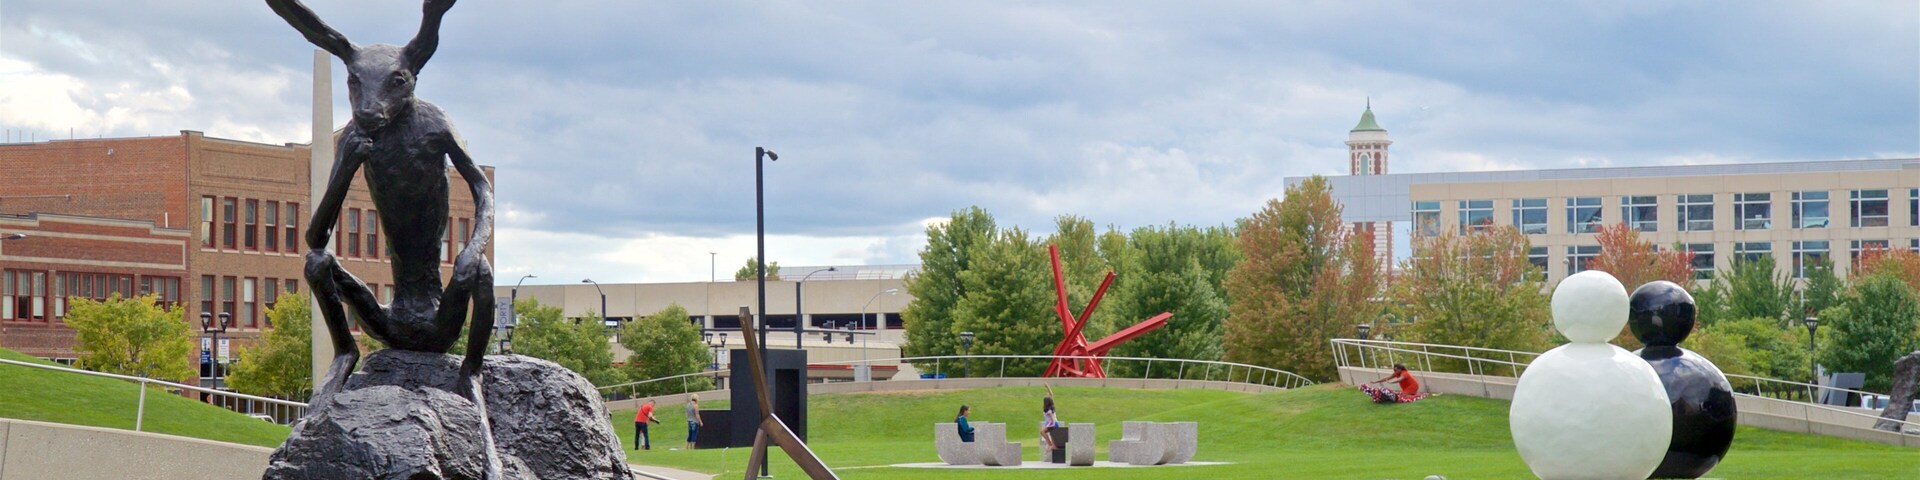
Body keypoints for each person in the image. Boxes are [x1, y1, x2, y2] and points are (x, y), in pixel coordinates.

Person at [1359, 363, 1426, 404]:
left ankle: (1418, 396)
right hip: (1406, 388)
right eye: (1394, 370)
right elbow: (1387, 378)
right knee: (1401, 395)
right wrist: (1376, 381)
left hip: (1413, 386)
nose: (1395, 371)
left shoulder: (1404, 373)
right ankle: (1412, 394)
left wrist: (1391, 382)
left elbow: (1400, 379)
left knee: (1401, 398)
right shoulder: (1396, 373)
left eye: (1396, 370)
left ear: (1400, 369)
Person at [1039, 384, 1059, 450]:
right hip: (1053, 423)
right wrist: (1048, 387)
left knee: (1042, 432)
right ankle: (1052, 445)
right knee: (1050, 435)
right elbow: (1051, 395)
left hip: (1053, 423)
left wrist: (1050, 425)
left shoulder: (1048, 410)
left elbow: (1052, 419)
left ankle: (1051, 445)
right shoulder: (1051, 407)